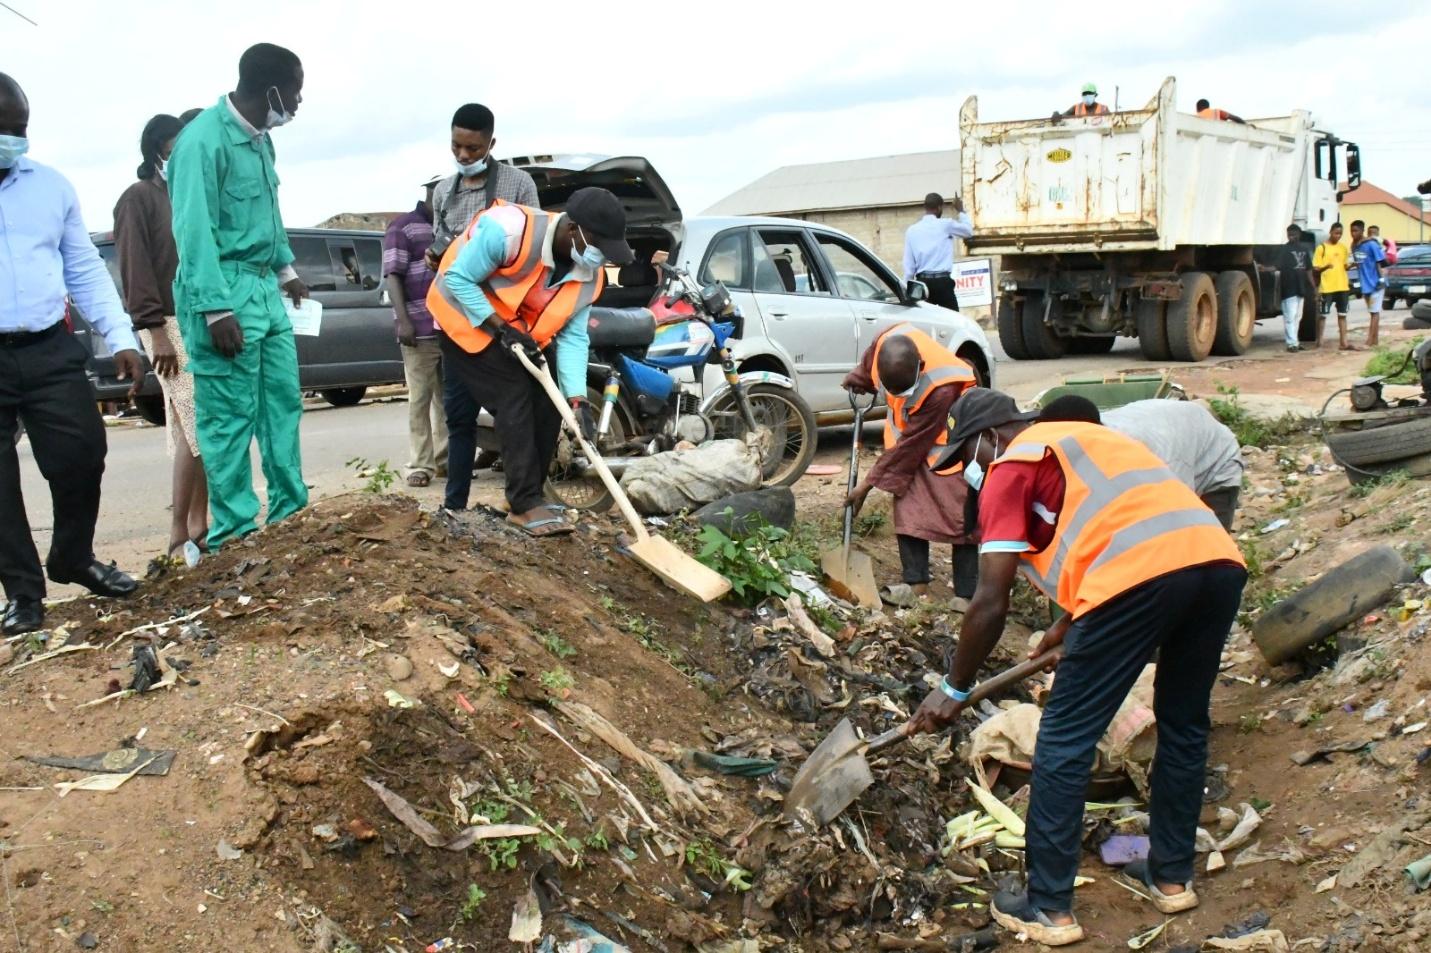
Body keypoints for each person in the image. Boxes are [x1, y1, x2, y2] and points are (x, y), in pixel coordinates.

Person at [909, 388, 1247, 946]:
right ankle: (1171, 876)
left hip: (1134, 582)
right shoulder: (1096, 442)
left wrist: (953, 687)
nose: (966, 473)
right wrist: (1068, 622)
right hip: (1215, 563)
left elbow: (990, 600)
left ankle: (1048, 907)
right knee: (1184, 723)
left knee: (1064, 740)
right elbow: (1123, 525)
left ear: (989, 437)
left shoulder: (1010, 465)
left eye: (964, 458)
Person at [0, 72, 142, 635]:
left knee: (83, 452)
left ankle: (72, 557)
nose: (15, 139)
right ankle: (23, 594)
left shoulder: (51, 186)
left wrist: (121, 337)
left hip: (47, 346)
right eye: (4, 129)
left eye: (21, 128)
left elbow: (82, 268)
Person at [426, 187, 633, 536]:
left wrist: (577, 401)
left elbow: (572, 337)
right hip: (461, 318)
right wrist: (500, 328)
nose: (600, 258)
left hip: (518, 332)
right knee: (513, 392)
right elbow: (457, 279)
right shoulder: (508, 231)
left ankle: (528, 498)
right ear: (573, 230)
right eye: (598, 246)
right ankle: (523, 503)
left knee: (547, 399)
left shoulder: (588, 275)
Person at [168, 43, 310, 550]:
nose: (297, 102)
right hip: (222, 292)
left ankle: (291, 514)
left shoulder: (260, 140)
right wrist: (215, 309)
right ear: (271, 88)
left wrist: (286, 270)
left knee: (282, 403)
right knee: (228, 417)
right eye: (294, 91)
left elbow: (267, 212)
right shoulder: (201, 142)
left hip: (263, 288)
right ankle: (234, 535)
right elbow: (193, 233)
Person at [425, 104, 541, 511]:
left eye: (473, 148)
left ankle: (521, 503)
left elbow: (530, 252)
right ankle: (454, 507)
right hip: (456, 325)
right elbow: (443, 251)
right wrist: (436, 258)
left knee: (514, 415)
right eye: (456, 146)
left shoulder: (519, 184)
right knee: (458, 419)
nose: (463, 156)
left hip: (499, 324)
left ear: (491, 144)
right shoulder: (442, 191)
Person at [113, 112, 208, 564]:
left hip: (194, 319)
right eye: (176, 148)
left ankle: (198, 527)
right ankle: (182, 531)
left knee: (191, 426)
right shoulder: (138, 198)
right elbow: (135, 267)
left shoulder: (187, 196)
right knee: (197, 424)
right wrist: (154, 330)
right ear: (158, 151)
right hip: (164, 325)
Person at [842, 326, 978, 607]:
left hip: (951, 445)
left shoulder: (942, 388)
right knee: (908, 507)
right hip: (910, 443)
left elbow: (913, 443)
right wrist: (859, 378)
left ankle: (967, 593)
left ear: (921, 367)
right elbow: (870, 361)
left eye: (904, 389)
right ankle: (916, 584)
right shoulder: (883, 345)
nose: (898, 395)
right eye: (892, 390)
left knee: (960, 515)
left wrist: (866, 485)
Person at [1038, 396, 1243, 530]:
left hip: (1214, 461)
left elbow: (1177, 514)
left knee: (1205, 553)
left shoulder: (1155, 456)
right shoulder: (1076, 434)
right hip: (1161, 420)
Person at [383, 174, 448, 488]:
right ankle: (419, 465)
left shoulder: (446, 227)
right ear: (431, 193)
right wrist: (404, 320)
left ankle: (445, 460)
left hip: (447, 328)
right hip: (418, 329)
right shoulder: (403, 227)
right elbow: (392, 276)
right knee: (419, 399)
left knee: (447, 400)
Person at [902, 193, 973, 311]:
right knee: (953, 322)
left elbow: (909, 267)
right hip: (943, 283)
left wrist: (906, 289)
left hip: (922, 283)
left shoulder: (912, 230)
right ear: (939, 208)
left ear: (925, 207)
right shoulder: (946, 225)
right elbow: (968, 232)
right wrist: (960, 211)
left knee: (925, 322)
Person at [1314, 223, 1354, 350]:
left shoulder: (1343, 248)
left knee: (1342, 315)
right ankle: (1319, 342)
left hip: (1342, 286)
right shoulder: (1321, 248)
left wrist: (1353, 265)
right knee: (1323, 315)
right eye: (1336, 233)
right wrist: (1326, 266)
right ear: (1330, 232)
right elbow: (1316, 268)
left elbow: (1345, 265)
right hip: (1327, 287)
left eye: (1340, 234)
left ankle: (1344, 342)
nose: (1338, 236)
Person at [1275, 224, 1315, 352]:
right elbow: (1277, 266)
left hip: (1301, 288)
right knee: (1290, 316)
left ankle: (1295, 342)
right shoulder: (1284, 249)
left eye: (1294, 234)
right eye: (1289, 235)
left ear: (1299, 234)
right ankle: (1291, 344)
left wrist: (1314, 286)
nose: (1291, 237)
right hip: (1289, 288)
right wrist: (1264, 268)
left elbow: (1309, 269)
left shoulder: (1304, 250)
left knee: (1298, 316)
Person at [1349, 219, 1387, 347]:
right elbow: (1358, 263)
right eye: (1351, 231)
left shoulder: (1371, 244)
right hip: (1365, 284)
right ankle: (1374, 340)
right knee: (1372, 312)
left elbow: (1379, 262)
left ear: (1362, 231)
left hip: (1375, 283)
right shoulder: (1354, 246)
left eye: (1356, 231)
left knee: (1374, 312)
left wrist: (1381, 279)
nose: (1353, 233)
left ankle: (1370, 341)